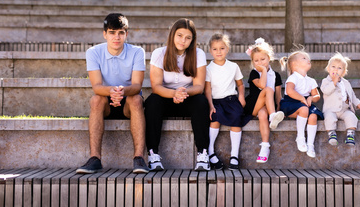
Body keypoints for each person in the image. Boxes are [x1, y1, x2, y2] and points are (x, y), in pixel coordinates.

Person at [76, 13, 150, 174]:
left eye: (121, 33)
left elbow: (137, 86)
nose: (116, 37)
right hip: (106, 101)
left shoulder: (137, 52)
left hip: (129, 102)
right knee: (96, 100)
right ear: (104, 34)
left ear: (126, 34)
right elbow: (96, 86)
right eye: (112, 32)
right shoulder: (93, 52)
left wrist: (122, 92)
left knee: (137, 99)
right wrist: (111, 91)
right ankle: (95, 158)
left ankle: (139, 158)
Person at [144, 18, 210, 171]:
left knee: (201, 101)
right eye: (180, 35)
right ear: (172, 34)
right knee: (152, 101)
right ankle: (153, 154)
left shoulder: (198, 54)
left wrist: (183, 92)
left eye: (188, 37)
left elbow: (199, 86)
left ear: (192, 40)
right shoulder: (159, 53)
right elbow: (156, 87)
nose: (183, 41)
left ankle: (203, 154)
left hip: (188, 98)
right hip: (165, 99)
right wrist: (174, 93)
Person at [205, 33, 250, 170]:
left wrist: (241, 96)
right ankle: (210, 151)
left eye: (222, 48)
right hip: (216, 101)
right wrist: (210, 105)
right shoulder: (208, 68)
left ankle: (234, 156)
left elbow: (240, 84)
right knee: (215, 118)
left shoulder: (233, 66)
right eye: (215, 49)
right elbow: (207, 90)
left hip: (231, 100)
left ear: (228, 48)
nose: (219, 52)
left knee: (237, 118)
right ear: (210, 50)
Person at [244, 38, 285, 164]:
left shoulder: (276, 75)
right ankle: (272, 117)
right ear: (253, 62)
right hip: (253, 105)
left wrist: (279, 108)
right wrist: (263, 71)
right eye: (256, 60)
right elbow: (262, 86)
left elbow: (278, 96)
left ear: (269, 58)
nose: (260, 62)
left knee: (263, 114)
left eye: (263, 59)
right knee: (267, 89)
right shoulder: (254, 73)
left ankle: (265, 147)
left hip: (267, 107)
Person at [279, 49, 323, 158]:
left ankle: (310, 144)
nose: (308, 60)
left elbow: (317, 96)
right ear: (294, 64)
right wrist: (302, 98)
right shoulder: (293, 78)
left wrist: (311, 99)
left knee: (313, 116)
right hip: (291, 102)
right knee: (304, 109)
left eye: (308, 58)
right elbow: (290, 91)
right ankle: (300, 137)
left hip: (306, 103)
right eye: (304, 58)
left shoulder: (311, 80)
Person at [321, 52, 360, 146]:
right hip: (331, 109)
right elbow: (326, 91)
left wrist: (357, 103)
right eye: (333, 66)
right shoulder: (326, 81)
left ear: (343, 72)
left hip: (344, 109)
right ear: (328, 69)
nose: (336, 69)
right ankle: (332, 134)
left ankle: (350, 135)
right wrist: (334, 82)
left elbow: (352, 95)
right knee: (329, 118)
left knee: (351, 117)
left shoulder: (346, 83)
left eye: (339, 68)